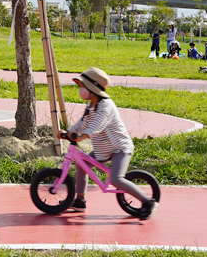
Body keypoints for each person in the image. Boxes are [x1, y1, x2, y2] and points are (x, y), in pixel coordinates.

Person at [60, 67, 158, 220]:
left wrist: (82, 136)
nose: (80, 90)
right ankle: (80, 200)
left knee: (116, 179)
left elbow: (97, 126)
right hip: (103, 150)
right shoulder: (91, 106)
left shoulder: (106, 105)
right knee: (81, 165)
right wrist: (67, 132)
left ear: (93, 89)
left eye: (82, 87)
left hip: (120, 148)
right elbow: (82, 123)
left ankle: (148, 202)